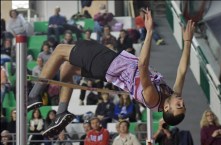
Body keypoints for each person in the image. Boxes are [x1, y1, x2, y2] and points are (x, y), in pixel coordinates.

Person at [27, 8, 195, 137]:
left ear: (166, 107)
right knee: (67, 68)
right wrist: (187, 41)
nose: (182, 103)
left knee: (59, 50)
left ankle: (34, 96)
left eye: (179, 106)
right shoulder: (170, 94)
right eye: (184, 106)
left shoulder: (153, 98)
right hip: (108, 68)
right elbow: (182, 71)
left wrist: (149, 31)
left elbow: (143, 65)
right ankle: (61, 112)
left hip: (108, 63)